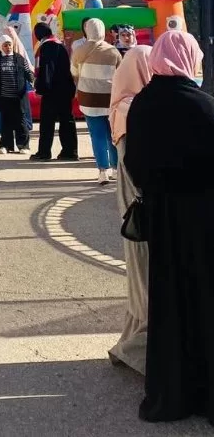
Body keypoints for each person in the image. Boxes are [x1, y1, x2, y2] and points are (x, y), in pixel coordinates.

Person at [124, 30, 214, 425]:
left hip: (162, 218)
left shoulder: (142, 105)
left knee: (170, 300)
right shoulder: (203, 106)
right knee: (206, 299)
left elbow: (134, 163)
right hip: (204, 220)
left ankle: (173, 394)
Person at [108, 43, 153, 374]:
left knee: (139, 279)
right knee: (147, 279)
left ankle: (127, 345)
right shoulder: (134, 110)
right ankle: (136, 351)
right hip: (142, 203)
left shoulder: (121, 104)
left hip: (129, 203)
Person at [70, 18, 121, 183]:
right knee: (113, 134)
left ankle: (102, 171)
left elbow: (74, 73)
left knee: (96, 135)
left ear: (87, 30)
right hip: (109, 98)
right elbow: (120, 74)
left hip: (88, 98)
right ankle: (116, 169)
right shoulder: (113, 51)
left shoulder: (79, 51)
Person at [31, 22, 78, 161]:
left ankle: (44, 152)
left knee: (47, 122)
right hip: (66, 89)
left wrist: (41, 88)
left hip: (52, 90)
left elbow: (47, 69)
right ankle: (70, 151)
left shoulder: (47, 46)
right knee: (67, 121)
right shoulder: (59, 44)